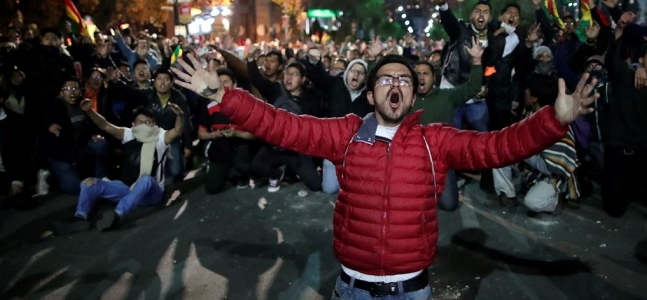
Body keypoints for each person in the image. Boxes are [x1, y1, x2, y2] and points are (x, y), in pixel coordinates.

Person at [172, 53, 598, 300]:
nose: (396, 86)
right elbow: (281, 125)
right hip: (351, 288)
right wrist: (222, 96)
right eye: (386, 79)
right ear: (372, 92)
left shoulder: (437, 140)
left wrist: (552, 122)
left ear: (413, 93)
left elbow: (498, 147)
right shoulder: (344, 134)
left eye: (405, 81)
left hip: (412, 291)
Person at [55, 100, 185, 233]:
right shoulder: (129, 134)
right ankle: (80, 218)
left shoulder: (161, 136)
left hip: (152, 194)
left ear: (153, 123)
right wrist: (89, 111)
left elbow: (177, 131)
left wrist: (180, 116)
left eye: (148, 122)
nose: (144, 126)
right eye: (140, 122)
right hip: (128, 188)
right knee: (89, 183)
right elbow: (105, 126)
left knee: (145, 180)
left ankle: (117, 215)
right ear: (133, 124)